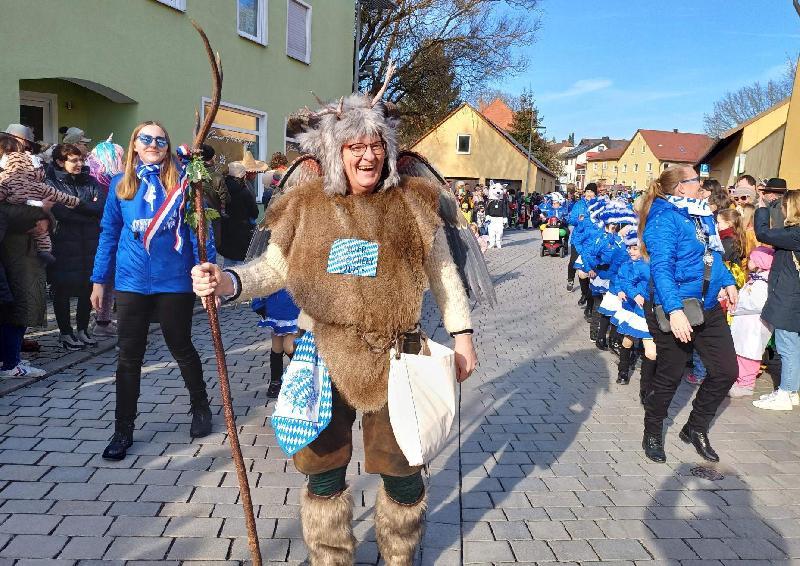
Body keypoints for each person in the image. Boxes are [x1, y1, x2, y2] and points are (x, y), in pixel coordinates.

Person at [190, 91, 477, 564]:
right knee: (321, 468)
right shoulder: (306, 204)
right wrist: (227, 281)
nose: (368, 156)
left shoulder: (412, 202)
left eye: (375, 145)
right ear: (334, 152)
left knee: (404, 466)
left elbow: (444, 274)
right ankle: (330, 558)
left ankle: (401, 554)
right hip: (323, 352)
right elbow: (273, 270)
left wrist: (462, 335)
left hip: (396, 354)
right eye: (355, 147)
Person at [91, 121, 215, 461]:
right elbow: (108, 235)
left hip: (174, 281)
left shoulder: (184, 184)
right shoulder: (120, 186)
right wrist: (100, 280)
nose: (153, 143)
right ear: (134, 145)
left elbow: (200, 230)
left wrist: (209, 274)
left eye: (160, 139)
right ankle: (123, 429)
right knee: (128, 356)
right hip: (131, 283)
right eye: (146, 138)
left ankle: (200, 406)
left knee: (181, 346)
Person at [639, 165, 738, 464]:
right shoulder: (664, 218)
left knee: (726, 372)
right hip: (675, 308)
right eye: (697, 180)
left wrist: (727, 281)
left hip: (706, 305)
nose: (702, 183)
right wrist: (675, 310)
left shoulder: (699, 213)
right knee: (669, 377)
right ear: (681, 187)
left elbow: (711, 256)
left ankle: (695, 427)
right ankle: (653, 432)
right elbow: (661, 269)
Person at [0, 129, 51, 378]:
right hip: (12, 254)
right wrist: (40, 212)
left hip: (25, 253)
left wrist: (45, 216)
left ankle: (12, 359)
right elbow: (9, 213)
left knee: (21, 305)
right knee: (14, 307)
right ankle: (10, 362)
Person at [45, 144, 105, 350]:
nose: (79, 164)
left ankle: (82, 329)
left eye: (81, 160)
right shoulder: (51, 182)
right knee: (62, 289)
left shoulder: (91, 181)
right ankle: (65, 333)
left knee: (86, 288)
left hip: (89, 243)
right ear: (60, 162)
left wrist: (77, 204)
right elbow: (61, 213)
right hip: (63, 243)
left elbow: (100, 208)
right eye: (74, 160)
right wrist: (88, 211)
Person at [0, 133, 85, 264]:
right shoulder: (5, 180)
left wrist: (46, 219)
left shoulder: (37, 179)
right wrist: (40, 210)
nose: (23, 154)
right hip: (17, 248)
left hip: (28, 250)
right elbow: (5, 213)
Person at [752, 189, 800, 411]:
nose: (781, 209)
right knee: (793, 346)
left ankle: (785, 393)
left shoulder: (795, 234)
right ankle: (791, 392)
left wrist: (761, 207)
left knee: (787, 346)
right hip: (791, 297)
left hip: (789, 299)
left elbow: (762, 233)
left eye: (783, 205)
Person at [86, 135, 125, 337]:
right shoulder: (108, 181)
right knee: (105, 279)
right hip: (101, 237)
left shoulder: (106, 179)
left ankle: (103, 320)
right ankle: (102, 320)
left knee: (106, 281)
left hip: (102, 236)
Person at [614, 226, 656, 400]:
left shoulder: (652, 262)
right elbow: (624, 280)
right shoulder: (629, 265)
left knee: (652, 352)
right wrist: (633, 293)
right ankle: (623, 371)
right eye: (629, 248)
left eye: (635, 248)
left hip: (651, 309)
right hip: (635, 310)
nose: (631, 251)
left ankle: (645, 388)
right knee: (628, 341)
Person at [728, 246, 774, 397]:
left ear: (759, 262)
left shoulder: (763, 282)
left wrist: (734, 305)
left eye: (751, 259)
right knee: (740, 353)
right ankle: (739, 380)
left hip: (754, 326)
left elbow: (755, 304)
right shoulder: (755, 279)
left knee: (749, 355)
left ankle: (747, 384)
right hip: (746, 326)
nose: (748, 261)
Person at [251, 287, 300, 398]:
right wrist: (258, 303)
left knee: (289, 347)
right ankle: (275, 381)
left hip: (294, 312)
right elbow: (261, 283)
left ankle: (301, 375)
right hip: (274, 311)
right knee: (276, 348)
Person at [217, 159, 259, 266]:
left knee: (227, 262)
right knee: (241, 265)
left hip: (226, 229)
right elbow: (254, 212)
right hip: (242, 231)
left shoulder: (221, 188)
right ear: (242, 176)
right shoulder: (244, 192)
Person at [567, 184, 594, 292]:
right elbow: (571, 220)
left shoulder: (598, 206)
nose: (589, 194)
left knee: (590, 261)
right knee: (574, 260)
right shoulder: (578, 204)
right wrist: (579, 219)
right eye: (587, 191)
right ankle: (570, 279)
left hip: (591, 239)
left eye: (592, 192)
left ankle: (588, 288)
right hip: (578, 238)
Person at [485, 182, 507, 248]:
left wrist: (505, 218)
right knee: (491, 231)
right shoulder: (490, 201)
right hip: (491, 218)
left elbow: (504, 210)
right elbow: (487, 209)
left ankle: (498, 242)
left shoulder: (502, 202)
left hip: (499, 219)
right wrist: (487, 216)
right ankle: (492, 243)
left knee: (500, 232)